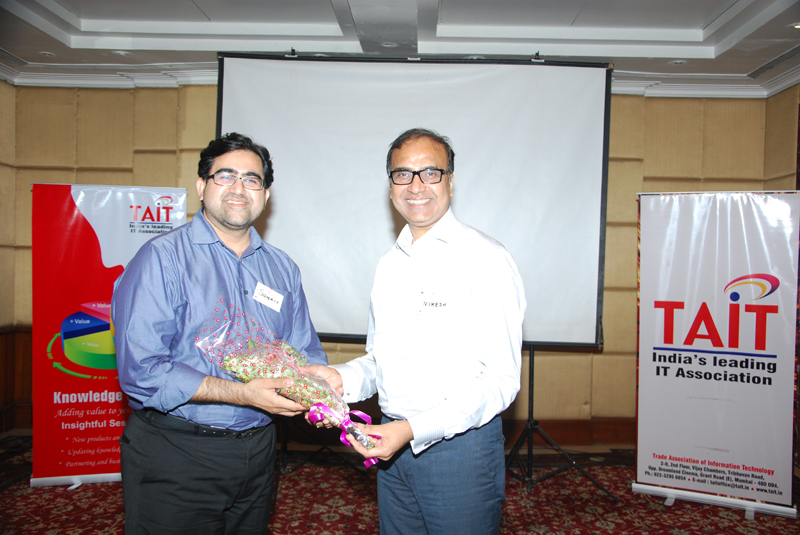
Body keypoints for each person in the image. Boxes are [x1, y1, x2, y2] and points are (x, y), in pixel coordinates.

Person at [307, 128, 526, 534]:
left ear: (450, 181)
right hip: (390, 447)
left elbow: (500, 381)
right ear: (390, 185)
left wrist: (411, 430)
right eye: (403, 174)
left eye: (430, 172)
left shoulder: (486, 259)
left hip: (458, 451)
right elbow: (381, 360)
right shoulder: (389, 264)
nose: (416, 185)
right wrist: (340, 378)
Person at [112, 132, 327, 534]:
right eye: (225, 176)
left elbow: (304, 350)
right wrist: (241, 394)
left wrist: (320, 386)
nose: (239, 188)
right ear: (202, 186)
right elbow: (141, 371)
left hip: (259, 451)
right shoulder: (161, 258)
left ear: (265, 195)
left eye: (252, 179)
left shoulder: (282, 268)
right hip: (177, 451)